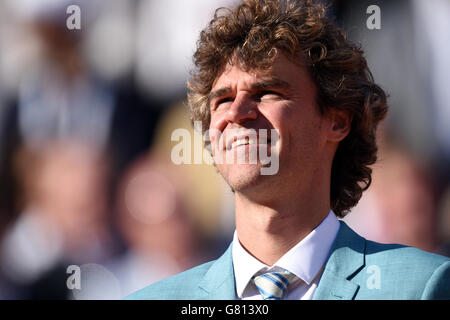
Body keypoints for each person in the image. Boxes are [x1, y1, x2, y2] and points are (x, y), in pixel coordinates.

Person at [126, 0, 450, 300]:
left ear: (336, 120)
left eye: (267, 92)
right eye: (223, 99)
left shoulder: (420, 286)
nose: (236, 113)